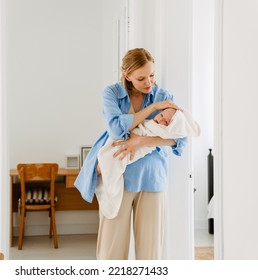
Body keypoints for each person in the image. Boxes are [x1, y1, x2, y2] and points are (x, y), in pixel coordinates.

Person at [74, 48, 187, 260]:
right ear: (127, 75)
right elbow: (116, 129)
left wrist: (141, 141)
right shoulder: (112, 93)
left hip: (152, 178)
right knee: (111, 252)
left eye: (152, 75)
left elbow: (181, 139)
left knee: (150, 255)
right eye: (141, 78)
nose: (149, 82)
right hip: (119, 178)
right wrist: (152, 107)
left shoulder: (165, 97)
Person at [96, 107, 200, 219]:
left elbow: (182, 139)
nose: (160, 120)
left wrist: (140, 141)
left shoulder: (166, 132)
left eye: (165, 122)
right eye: (161, 115)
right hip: (129, 143)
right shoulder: (150, 118)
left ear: (172, 127)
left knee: (112, 163)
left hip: (149, 172)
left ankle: (110, 198)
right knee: (108, 157)